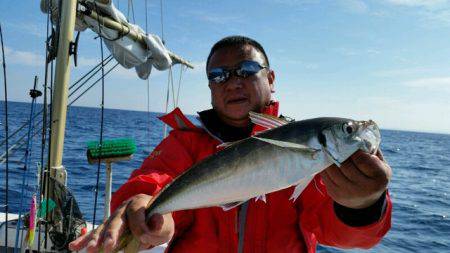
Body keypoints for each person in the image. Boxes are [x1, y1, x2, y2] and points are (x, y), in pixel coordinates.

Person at [69, 35, 392, 253]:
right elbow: (155, 179)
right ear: (210, 85)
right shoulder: (185, 142)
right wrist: (144, 208)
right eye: (219, 75)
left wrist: (363, 205)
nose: (233, 81)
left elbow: (346, 236)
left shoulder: (309, 146)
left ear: (271, 79)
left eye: (247, 69)